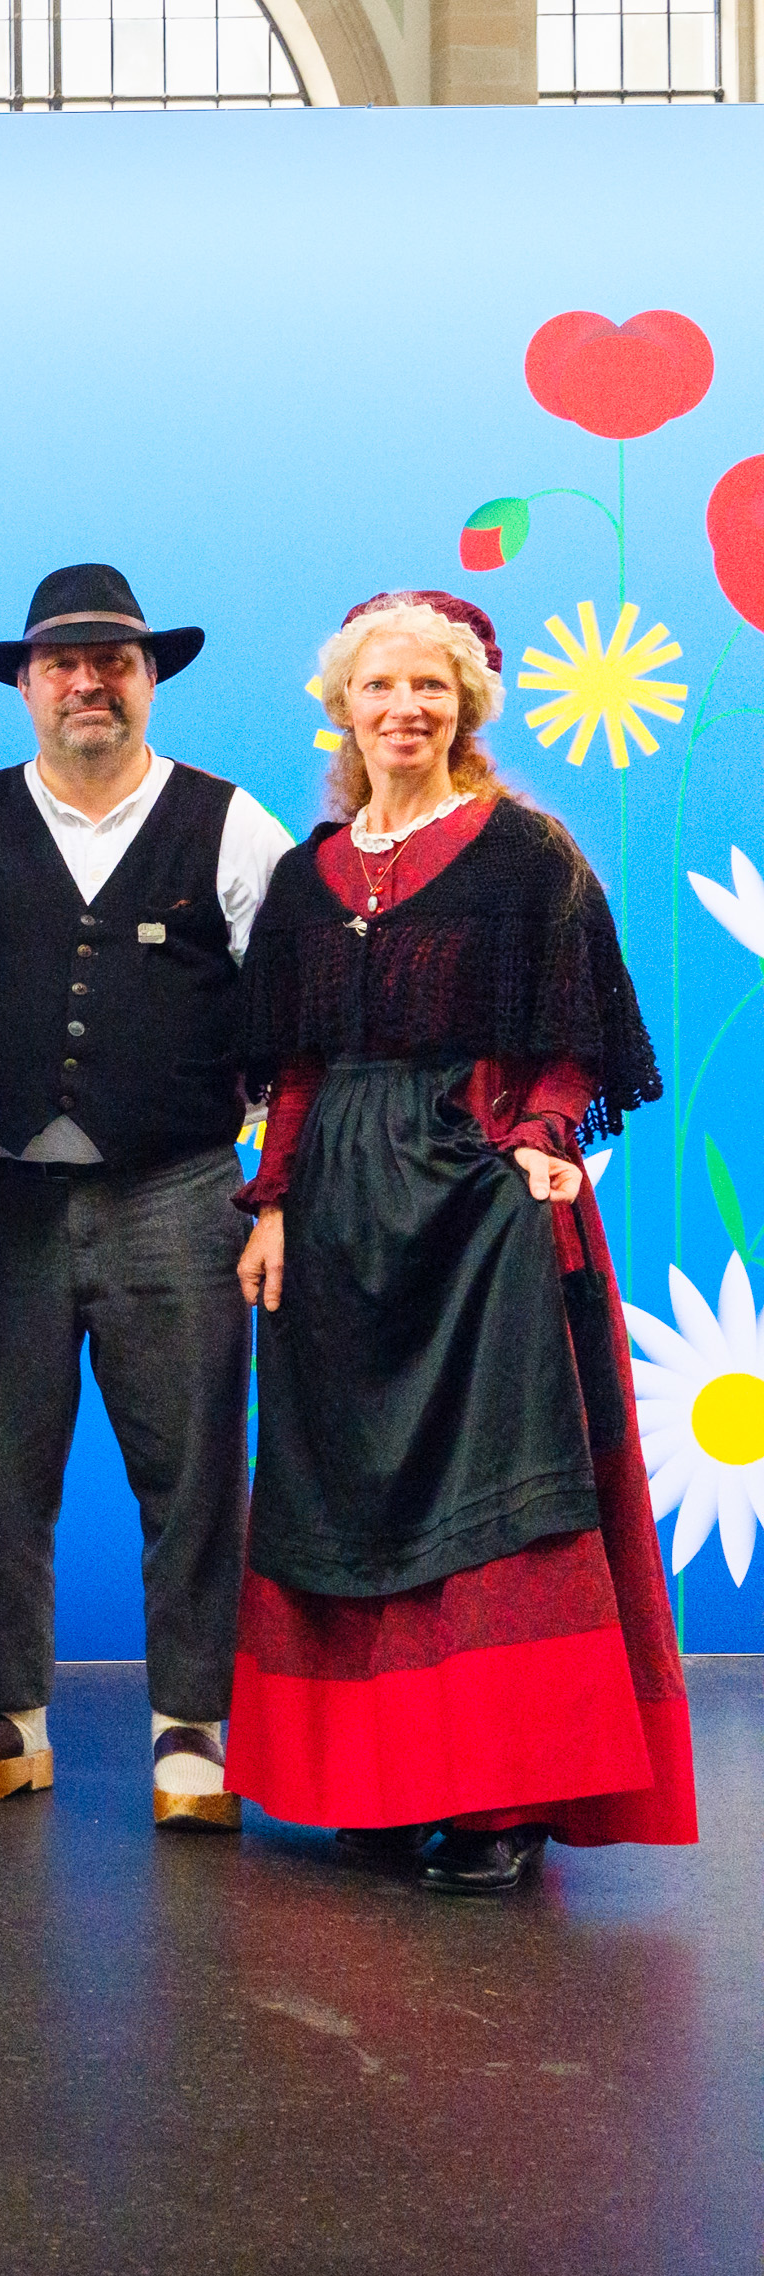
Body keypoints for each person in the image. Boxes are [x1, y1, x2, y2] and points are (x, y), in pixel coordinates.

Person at [229, 590, 694, 1896]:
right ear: (344, 707)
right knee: (343, 1494)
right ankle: (373, 1784)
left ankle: (500, 1797)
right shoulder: (306, 878)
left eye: (429, 686)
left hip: (482, 1204)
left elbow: (569, 1044)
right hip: (333, 1220)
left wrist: (545, 1136)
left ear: (465, 706)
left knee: (497, 1504)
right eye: (380, 686)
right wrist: (267, 1202)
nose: (404, 708)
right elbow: (300, 1070)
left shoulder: (527, 855)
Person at [0, 564, 296, 1834]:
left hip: (180, 1192)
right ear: (24, 687)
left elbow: (296, 1032)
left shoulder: (235, 828)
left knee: (190, 1471)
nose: (87, 683)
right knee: (3, 1473)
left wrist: (272, 1189)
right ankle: (11, 1719)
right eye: (61, 664)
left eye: (112, 662)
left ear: (150, 677)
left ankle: (193, 1726)